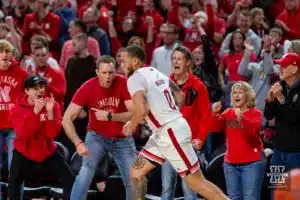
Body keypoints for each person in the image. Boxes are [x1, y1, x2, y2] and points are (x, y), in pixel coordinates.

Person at [120, 45, 229, 200]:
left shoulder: (134, 78)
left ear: (135, 61)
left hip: (170, 133)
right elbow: (179, 95)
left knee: (197, 183)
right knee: (136, 173)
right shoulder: (153, 71)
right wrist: (171, 114)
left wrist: (131, 124)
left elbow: (142, 109)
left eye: (124, 61)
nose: (121, 65)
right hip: (163, 132)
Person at [62, 55, 136, 200]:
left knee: (134, 179)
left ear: (116, 71)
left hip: (122, 137)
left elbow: (134, 113)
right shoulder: (88, 87)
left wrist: (111, 116)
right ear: (97, 72)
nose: (108, 76)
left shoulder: (124, 83)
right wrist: (78, 143)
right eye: (104, 73)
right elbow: (66, 119)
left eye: (111, 72)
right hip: (97, 136)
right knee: (85, 172)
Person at [8, 74, 75, 200]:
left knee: (70, 179)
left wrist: (49, 113)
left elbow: (52, 134)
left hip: (47, 152)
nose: (40, 90)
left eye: (42, 87)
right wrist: (35, 113)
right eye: (35, 88)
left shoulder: (52, 105)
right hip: (24, 151)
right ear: (26, 91)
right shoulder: (17, 109)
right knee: (14, 182)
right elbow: (24, 133)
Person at [161, 46, 211, 200]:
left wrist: (201, 139)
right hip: (168, 143)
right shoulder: (165, 85)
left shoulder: (198, 87)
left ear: (188, 62)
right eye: (173, 59)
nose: (175, 62)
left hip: (188, 144)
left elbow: (206, 116)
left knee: (189, 190)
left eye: (179, 59)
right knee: (167, 188)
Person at [211, 81, 265, 200]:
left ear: (248, 96)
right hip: (231, 163)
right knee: (233, 197)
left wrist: (242, 119)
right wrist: (214, 113)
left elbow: (252, 136)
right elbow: (215, 128)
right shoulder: (228, 113)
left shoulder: (255, 113)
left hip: (252, 162)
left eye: (240, 92)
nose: (236, 95)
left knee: (250, 197)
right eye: (234, 93)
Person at [0, 39, 28, 200]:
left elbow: (32, 96)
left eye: (7, 52)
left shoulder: (21, 73)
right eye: (1, 52)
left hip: (14, 127)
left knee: (15, 168)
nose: (4, 55)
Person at [264, 53, 300, 173]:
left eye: (284, 66)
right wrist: (269, 101)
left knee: (294, 190)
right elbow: (269, 116)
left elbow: (294, 118)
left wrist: (281, 98)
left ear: (294, 69)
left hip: (296, 152)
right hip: (278, 150)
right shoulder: (280, 87)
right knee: (276, 188)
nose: (280, 68)